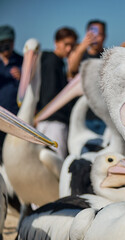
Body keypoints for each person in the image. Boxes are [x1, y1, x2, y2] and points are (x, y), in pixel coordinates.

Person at [36, 27, 78, 159]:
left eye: (72, 45)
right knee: (57, 161)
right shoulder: (53, 62)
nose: (68, 49)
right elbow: (52, 94)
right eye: (66, 44)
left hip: (45, 120)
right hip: (54, 122)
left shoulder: (54, 62)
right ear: (56, 42)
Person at [68, 19, 107, 135]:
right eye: (92, 34)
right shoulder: (81, 54)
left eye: (99, 34)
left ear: (104, 36)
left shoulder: (108, 56)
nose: (95, 38)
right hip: (85, 116)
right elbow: (72, 69)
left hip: (104, 116)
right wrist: (82, 46)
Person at [0, 25, 23, 164]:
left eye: (8, 42)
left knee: (14, 157)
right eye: (2, 42)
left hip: (17, 119)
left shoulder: (23, 61)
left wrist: (24, 76)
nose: (5, 46)